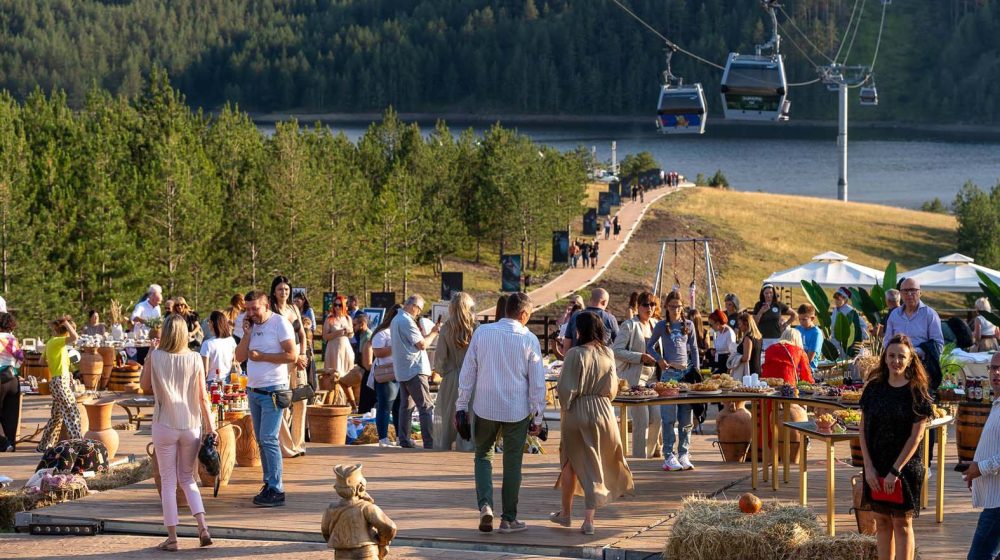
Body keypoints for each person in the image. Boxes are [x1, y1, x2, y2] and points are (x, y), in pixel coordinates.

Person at [457, 292, 545, 534]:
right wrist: (538, 416)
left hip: (484, 406)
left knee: (483, 456)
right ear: (524, 314)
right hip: (516, 410)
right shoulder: (529, 339)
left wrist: (461, 406)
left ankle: (485, 505)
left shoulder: (482, 333)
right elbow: (537, 384)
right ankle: (509, 518)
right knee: (512, 463)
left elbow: (468, 373)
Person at [551, 311, 635, 535]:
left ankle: (566, 514)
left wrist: (566, 406)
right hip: (604, 411)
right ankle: (588, 520)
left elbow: (566, 390)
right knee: (595, 462)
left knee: (570, 462)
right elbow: (612, 388)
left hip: (578, 410)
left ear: (580, 330)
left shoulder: (574, 354)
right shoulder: (607, 352)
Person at [139, 314, 215, 551]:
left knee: (169, 482)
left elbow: (144, 386)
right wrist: (211, 427)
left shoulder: (157, 356)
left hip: (164, 424)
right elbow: (203, 397)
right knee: (188, 479)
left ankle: (172, 539)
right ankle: (202, 527)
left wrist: (150, 356)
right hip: (190, 424)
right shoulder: (194, 358)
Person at [859, 334, 934, 560]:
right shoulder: (873, 388)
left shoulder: (916, 391)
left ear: (910, 359)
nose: (896, 361)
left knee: (901, 523)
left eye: (901, 356)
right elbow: (863, 429)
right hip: (876, 464)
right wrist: (868, 467)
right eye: (891, 355)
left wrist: (895, 471)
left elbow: (917, 437)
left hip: (905, 467)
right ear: (885, 358)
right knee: (881, 522)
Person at [234, 290, 297, 507]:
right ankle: (269, 483)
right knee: (261, 440)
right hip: (254, 389)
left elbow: (292, 355)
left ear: (266, 305)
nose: (251, 313)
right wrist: (247, 335)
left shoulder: (279, 323)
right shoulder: (249, 325)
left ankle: (277, 488)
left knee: (269, 438)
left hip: (273, 389)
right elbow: (239, 356)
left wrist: (263, 357)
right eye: (247, 309)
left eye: (255, 308)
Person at [647, 290, 699, 471]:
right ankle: (668, 455)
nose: (675, 310)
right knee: (668, 416)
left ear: (682, 307)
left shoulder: (689, 325)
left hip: (686, 373)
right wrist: (659, 359)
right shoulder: (662, 325)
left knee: (686, 416)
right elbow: (649, 345)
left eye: (678, 307)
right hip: (669, 374)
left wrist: (697, 371)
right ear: (666, 308)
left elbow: (694, 348)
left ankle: (684, 453)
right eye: (671, 307)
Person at [612, 291, 662, 458]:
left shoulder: (657, 324)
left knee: (657, 419)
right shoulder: (629, 325)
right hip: (635, 379)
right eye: (645, 304)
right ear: (638, 307)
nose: (649, 308)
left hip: (654, 379)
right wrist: (640, 357)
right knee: (642, 420)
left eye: (652, 304)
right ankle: (640, 458)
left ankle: (650, 453)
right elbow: (616, 351)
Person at [391, 294, 440, 449]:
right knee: (425, 407)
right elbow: (422, 344)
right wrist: (434, 332)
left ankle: (404, 440)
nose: (419, 313)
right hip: (414, 369)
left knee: (406, 407)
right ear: (414, 306)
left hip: (403, 370)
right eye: (419, 309)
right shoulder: (406, 321)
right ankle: (429, 442)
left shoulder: (396, 320)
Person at [964, 352, 1000, 560]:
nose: (996, 372)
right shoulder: (996, 403)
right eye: (993, 368)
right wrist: (976, 471)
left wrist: (980, 468)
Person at [269, 276, 309, 458]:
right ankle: (286, 446)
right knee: (283, 401)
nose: (283, 292)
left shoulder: (293, 308)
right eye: (280, 289)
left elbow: (302, 333)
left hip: (298, 359)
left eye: (286, 289)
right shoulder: (271, 310)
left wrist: (304, 354)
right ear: (274, 291)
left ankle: (299, 443)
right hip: (283, 358)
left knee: (301, 399)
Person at [434, 292, 477, 451]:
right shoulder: (476, 327)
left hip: (452, 376)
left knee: (448, 415)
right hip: (472, 378)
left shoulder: (446, 328)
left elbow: (440, 358)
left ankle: (444, 445)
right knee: (469, 414)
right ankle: (466, 445)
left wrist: (445, 372)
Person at [883, 278, 944, 387]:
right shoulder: (894, 315)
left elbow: (938, 346)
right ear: (900, 294)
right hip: (896, 370)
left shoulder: (930, 315)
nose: (909, 294)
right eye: (905, 291)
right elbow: (887, 341)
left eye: (913, 290)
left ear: (920, 293)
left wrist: (912, 353)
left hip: (920, 369)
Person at [36, 315, 80, 452]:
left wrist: (55, 360)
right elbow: (75, 337)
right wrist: (67, 323)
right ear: (66, 330)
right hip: (60, 382)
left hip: (57, 381)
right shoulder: (57, 342)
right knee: (73, 413)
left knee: (56, 417)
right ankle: (78, 446)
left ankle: (43, 446)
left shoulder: (51, 343)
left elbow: (41, 362)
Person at [367, 305, 402, 447]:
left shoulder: (400, 331)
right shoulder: (383, 333)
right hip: (386, 374)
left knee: (399, 406)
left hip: (400, 373)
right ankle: (383, 438)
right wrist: (397, 346)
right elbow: (378, 352)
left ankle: (400, 437)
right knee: (385, 406)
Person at [561, 288, 619, 354]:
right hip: (601, 359)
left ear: (590, 300)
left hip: (578, 357)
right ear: (604, 302)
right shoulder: (610, 318)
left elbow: (567, 343)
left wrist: (566, 360)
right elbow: (618, 342)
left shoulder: (576, 315)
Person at [324, 295, 356, 405]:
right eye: (335, 305)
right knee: (335, 375)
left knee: (346, 377)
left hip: (345, 349)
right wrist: (338, 333)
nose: (337, 307)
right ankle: (335, 401)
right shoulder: (330, 319)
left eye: (339, 305)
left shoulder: (348, 318)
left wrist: (348, 331)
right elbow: (325, 336)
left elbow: (351, 335)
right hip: (334, 349)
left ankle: (349, 402)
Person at [0, 313, 23, 451]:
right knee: (11, 414)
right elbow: (20, 359)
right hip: (12, 379)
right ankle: (11, 443)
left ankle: (4, 444)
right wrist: (13, 367)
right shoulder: (13, 339)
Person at [753, 283, 793, 350]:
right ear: (762, 294)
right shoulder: (758, 305)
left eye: (771, 293)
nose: (769, 295)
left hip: (776, 338)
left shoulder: (778, 304)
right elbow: (755, 323)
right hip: (762, 338)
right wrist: (761, 311)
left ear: (773, 293)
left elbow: (794, 314)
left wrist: (785, 325)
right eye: (766, 293)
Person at [200, 311, 237, 385]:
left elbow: (205, 371)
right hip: (228, 380)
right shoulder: (231, 340)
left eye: (209, 321)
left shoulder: (207, 344)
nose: (208, 324)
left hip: (212, 382)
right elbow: (235, 361)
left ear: (212, 323)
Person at [831, 286, 868, 355]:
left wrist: (858, 340)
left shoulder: (851, 311)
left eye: (838, 299)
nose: (836, 301)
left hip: (847, 345)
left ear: (845, 299)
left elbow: (863, 325)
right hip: (835, 343)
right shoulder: (835, 310)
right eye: (835, 298)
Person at [352, 313, 376, 414]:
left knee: (367, 404)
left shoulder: (368, 337)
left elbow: (367, 362)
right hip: (364, 369)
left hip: (368, 371)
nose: (353, 327)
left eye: (355, 325)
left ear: (362, 324)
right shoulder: (362, 336)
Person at [794, 303, 825, 371]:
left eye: (804, 319)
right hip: (796, 367)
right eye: (800, 319)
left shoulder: (816, 333)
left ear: (812, 318)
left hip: (809, 369)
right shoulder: (797, 329)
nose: (801, 322)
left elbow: (810, 358)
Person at [707, 309, 737, 375]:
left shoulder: (729, 333)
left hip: (726, 364)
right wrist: (713, 351)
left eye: (711, 325)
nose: (710, 327)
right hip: (719, 362)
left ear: (718, 323)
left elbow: (733, 352)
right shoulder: (719, 331)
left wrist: (729, 369)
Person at [735, 312, 763, 379]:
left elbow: (746, 357)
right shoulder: (758, 337)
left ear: (746, 324)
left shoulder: (748, 338)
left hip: (748, 372)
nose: (739, 326)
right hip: (757, 370)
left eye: (740, 324)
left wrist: (735, 359)